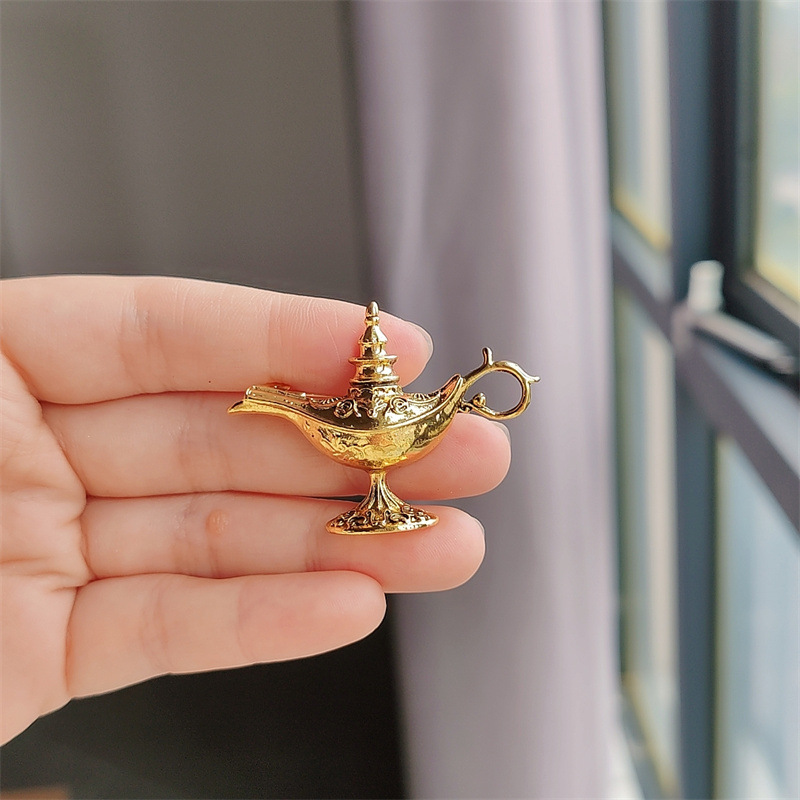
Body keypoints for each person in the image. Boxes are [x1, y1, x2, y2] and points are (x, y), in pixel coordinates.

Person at [0, 275, 511, 745]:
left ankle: (382, 502)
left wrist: (460, 397)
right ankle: (380, 503)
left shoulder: (389, 413)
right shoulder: (339, 412)